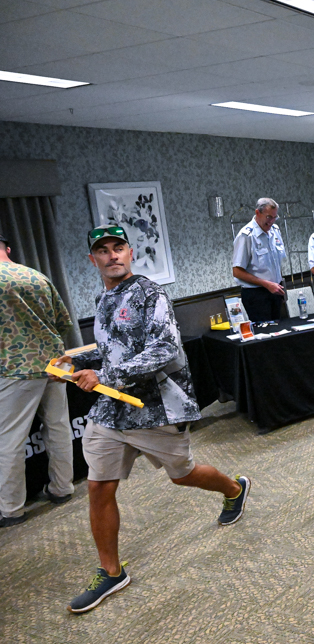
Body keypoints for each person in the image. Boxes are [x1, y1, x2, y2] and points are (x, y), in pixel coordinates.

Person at [60, 224, 249, 614]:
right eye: (103, 250)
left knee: (183, 475)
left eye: (118, 247)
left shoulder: (150, 293)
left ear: (130, 252)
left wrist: (105, 375)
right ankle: (111, 572)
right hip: (111, 411)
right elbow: (113, 349)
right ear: (92, 259)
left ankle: (234, 488)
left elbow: (164, 348)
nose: (112, 255)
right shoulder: (104, 298)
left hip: (155, 408)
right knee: (98, 487)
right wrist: (76, 363)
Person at [0, 235, 76, 527]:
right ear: (8, 249)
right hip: (55, 363)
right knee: (58, 428)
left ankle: (11, 510)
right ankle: (62, 488)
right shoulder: (37, 277)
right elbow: (63, 322)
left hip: (15, 368)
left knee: (9, 441)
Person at [232, 198, 287, 322]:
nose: (271, 221)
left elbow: (276, 264)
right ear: (257, 212)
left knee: (277, 330)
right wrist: (266, 284)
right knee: (264, 332)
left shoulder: (275, 231)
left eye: (275, 217)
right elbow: (237, 271)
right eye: (268, 217)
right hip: (256, 294)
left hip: (275, 291)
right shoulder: (246, 236)